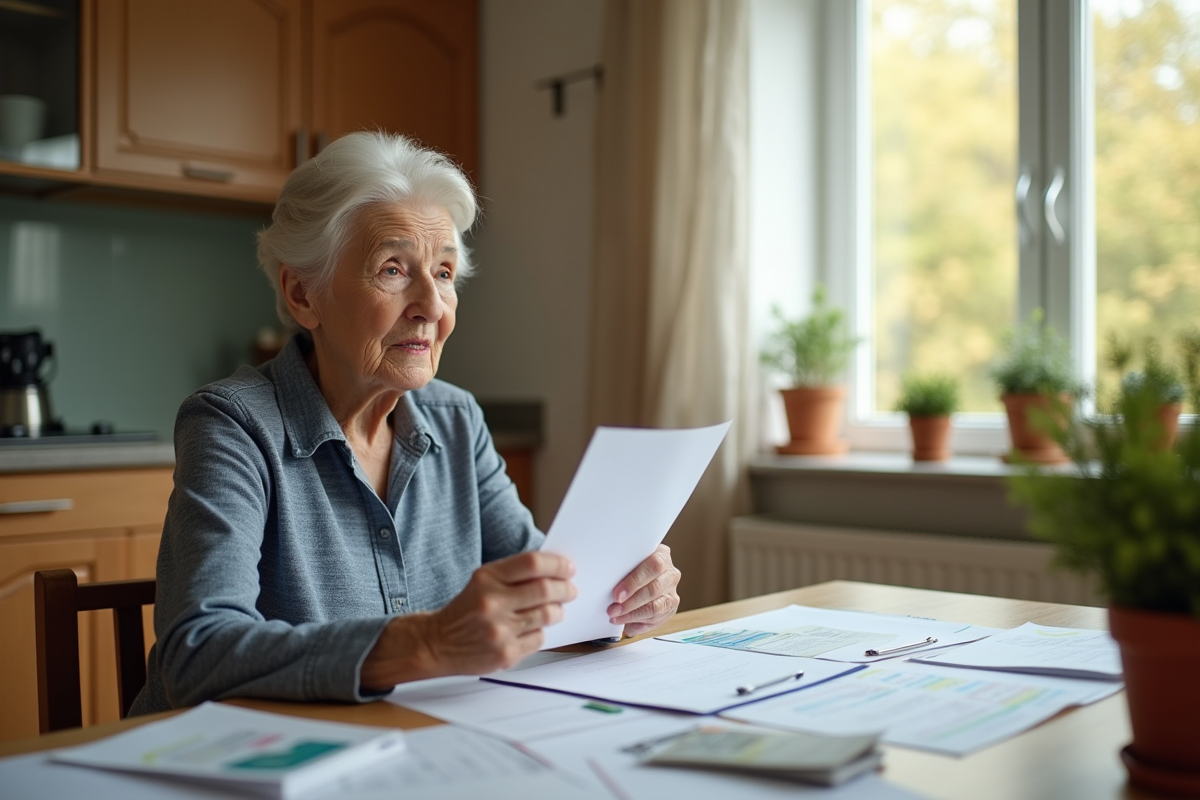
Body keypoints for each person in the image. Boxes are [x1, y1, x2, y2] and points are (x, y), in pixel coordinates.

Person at [130, 132, 682, 714]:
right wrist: (429, 643)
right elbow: (197, 655)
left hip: (410, 742)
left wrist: (618, 599)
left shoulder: (456, 420)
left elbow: (549, 598)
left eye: (443, 273)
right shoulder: (234, 425)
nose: (431, 306)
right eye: (393, 269)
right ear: (302, 294)